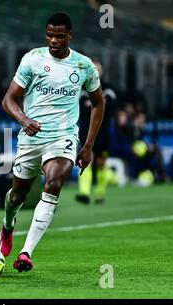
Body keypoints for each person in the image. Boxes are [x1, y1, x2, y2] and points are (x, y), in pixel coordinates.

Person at [0, 13, 105, 272]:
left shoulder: (83, 65)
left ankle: (26, 252)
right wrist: (23, 120)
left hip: (63, 136)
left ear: (70, 35)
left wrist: (88, 144)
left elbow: (99, 102)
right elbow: (8, 100)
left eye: (59, 35)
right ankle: (7, 225)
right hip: (31, 137)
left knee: (54, 183)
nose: (53, 40)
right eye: (49, 34)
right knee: (17, 196)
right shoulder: (33, 59)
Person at [75, 59, 117, 204]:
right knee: (86, 161)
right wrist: (98, 105)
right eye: (93, 68)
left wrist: (93, 105)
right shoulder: (81, 88)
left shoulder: (108, 89)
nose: (96, 71)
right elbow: (80, 109)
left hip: (103, 132)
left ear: (102, 71)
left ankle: (99, 193)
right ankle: (84, 192)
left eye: (98, 68)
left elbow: (110, 108)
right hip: (86, 132)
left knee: (101, 162)